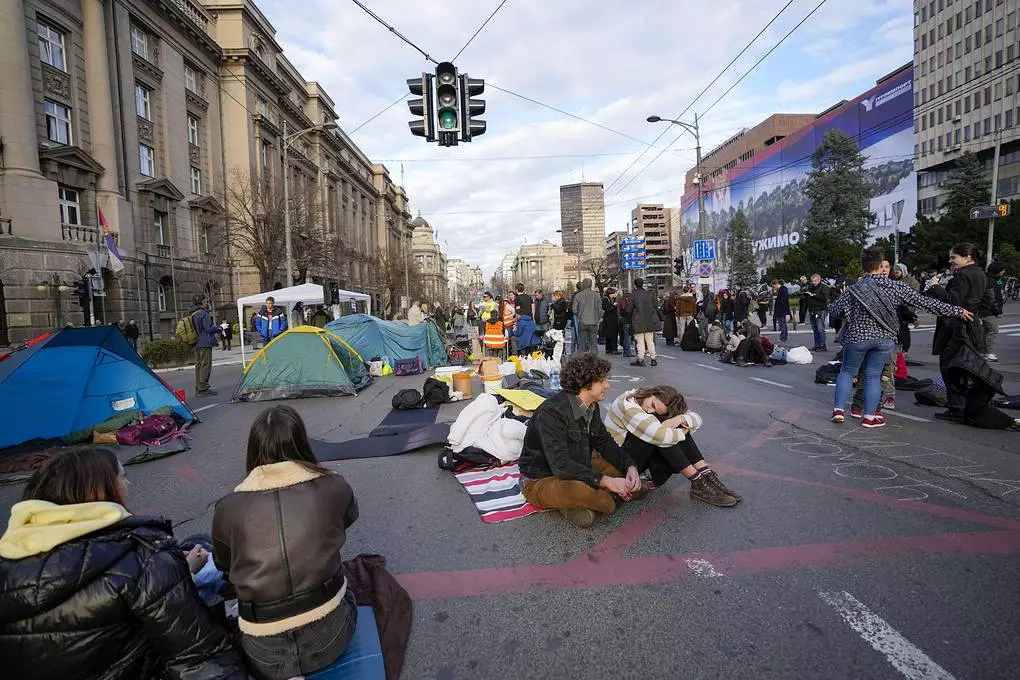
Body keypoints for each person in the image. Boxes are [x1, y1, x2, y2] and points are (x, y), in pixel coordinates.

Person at [0, 447, 246, 680]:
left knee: (197, 547)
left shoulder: (9, 560)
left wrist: (177, 570)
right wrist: (177, 573)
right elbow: (198, 659)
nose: (127, 484)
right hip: (147, 668)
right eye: (122, 477)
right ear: (99, 491)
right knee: (210, 558)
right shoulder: (143, 557)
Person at [213, 406, 359, 680]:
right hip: (331, 636)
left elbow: (224, 564)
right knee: (348, 582)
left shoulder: (228, 507)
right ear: (302, 441)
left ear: (253, 448)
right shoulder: (334, 486)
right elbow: (347, 519)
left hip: (262, 651)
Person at [828, 246, 971, 427]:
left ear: (863, 266)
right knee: (874, 376)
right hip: (884, 338)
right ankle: (870, 417)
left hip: (856, 338)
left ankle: (838, 411)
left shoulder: (853, 290)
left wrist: (850, 313)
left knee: (847, 372)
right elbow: (925, 303)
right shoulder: (896, 286)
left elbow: (834, 310)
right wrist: (957, 311)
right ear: (880, 265)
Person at [518, 353, 643, 527]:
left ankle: (579, 502)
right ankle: (580, 501)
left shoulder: (592, 405)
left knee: (622, 475)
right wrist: (607, 482)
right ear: (585, 383)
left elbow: (604, 442)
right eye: (602, 381)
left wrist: (630, 466)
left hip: (578, 464)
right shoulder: (552, 412)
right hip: (541, 478)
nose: (607, 385)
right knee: (604, 502)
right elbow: (561, 465)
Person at [924, 243, 1015, 428]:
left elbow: (953, 301)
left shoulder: (964, 275)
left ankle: (956, 408)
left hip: (956, 326)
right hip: (971, 324)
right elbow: (983, 299)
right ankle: (961, 406)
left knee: (950, 367)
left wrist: (935, 287)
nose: (951, 261)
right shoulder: (980, 274)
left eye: (954, 257)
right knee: (962, 366)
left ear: (967, 257)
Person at [605, 386, 740, 507]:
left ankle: (707, 476)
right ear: (652, 393)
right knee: (662, 435)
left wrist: (679, 419)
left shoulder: (649, 399)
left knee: (669, 426)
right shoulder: (627, 405)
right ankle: (698, 482)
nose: (650, 410)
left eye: (654, 409)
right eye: (652, 405)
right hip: (617, 461)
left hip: (635, 458)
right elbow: (661, 436)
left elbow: (697, 419)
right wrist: (684, 430)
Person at [190, 294, 220, 397]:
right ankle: (203, 387)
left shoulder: (193, 313)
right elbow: (208, 328)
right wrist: (220, 328)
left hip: (196, 342)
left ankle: (199, 386)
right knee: (205, 365)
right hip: (205, 342)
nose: (207, 302)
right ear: (202, 301)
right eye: (206, 300)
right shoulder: (203, 314)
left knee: (198, 365)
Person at [626, 277, 659, 367]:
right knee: (650, 341)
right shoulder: (649, 294)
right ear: (642, 284)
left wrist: (629, 319)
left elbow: (628, 309)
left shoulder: (633, 295)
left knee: (640, 341)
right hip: (649, 320)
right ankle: (653, 358)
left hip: (637, 321)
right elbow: (655, 306)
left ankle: (641, 359)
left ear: (635, 285)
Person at [980, 261, 1006, 362]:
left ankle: (982, 352)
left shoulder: (986, 278)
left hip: (983, 310)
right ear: (998, 271)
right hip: (988, 311)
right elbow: (992, 298)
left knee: (985, 331)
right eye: (1003, 270)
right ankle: (988, 353)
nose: (1003, 272)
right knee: (993, 330)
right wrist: (998, 311)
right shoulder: (991, 281)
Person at [571, 278, 602, 354]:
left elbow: (574, 310)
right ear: (591, 285)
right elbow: (600, 309)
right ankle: (594, 358)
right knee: (594, 342)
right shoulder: (597, 295)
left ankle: (582, 358)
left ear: (583, 285)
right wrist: (598, 318)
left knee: (582, 343)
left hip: (582, 322)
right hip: (593, 322)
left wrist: (579, 315)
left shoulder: (578, 295)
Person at [803, 274, 830, 352]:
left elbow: (825, 298)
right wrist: (806, 294)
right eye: (813, 281)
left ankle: (823, 345)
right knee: (815, 329)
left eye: (815, 281)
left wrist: (814, 295)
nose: (814, 282)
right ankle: (817, 344)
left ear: (819, 280)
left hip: (820, 310)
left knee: (820, 328)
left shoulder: (824, 287)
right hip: (812, 310)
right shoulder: (810, 287)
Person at [602, 287, 620, 354]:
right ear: (610, 293)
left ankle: (609, 349)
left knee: (610, 334)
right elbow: (607, 308)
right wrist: (613, 305)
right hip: (609, 319)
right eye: (614, 293)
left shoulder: (612, 299)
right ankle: (613, 349)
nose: (615, 294)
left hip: (611, 319)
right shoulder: (606, 299)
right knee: (612, 334)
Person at [619, 292, 634, 357]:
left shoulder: (622, 303)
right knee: (628, 338)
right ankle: (627, 352)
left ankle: (626, 352)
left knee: (626, 337)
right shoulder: (629, 305)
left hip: (624, 322)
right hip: (629, 322)